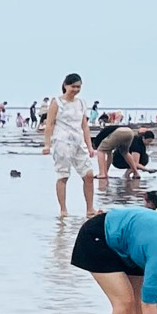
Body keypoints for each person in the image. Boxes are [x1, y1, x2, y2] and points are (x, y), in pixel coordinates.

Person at [43, 72, 98, 218]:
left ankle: (90, 208)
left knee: (89, 175)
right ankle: (63, 210)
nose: (75, 89)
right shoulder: (57, 102)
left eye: (78, 87)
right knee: (63, 175)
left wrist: (90, 146)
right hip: (62, 142)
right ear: (65, 85)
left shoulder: (81, 103)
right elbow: (49, 124)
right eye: (73, 86)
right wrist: (47, 145)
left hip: (78, 142)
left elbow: (85, 126)